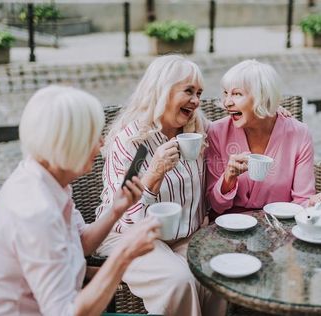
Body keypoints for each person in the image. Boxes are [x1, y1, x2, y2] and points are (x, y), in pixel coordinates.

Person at [0, 85, 160, 316]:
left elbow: (81, 243)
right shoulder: (35, 212)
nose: (102, 143)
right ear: (69, 142)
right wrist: (124, 254)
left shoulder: (47, 178)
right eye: (93, 136)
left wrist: (116, 210)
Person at [95, 55, 225, 316]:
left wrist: (276, 117)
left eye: (199, 93)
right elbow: (122, 215)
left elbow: (237, 126)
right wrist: (154, 174)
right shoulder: (132, 141)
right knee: (178, 282)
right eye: (188, 91)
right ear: (162, 90)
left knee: (216, 273)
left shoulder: (197, 129)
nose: (196, 101)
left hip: (184, 235)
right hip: (128, 234)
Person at [205, 59, 321, 218]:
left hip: (278, 227)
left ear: (263, 97)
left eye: (237, 94)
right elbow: (215, 205)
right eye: (226, 93)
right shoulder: (217, 132)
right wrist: (228, 177)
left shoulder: (299, 134)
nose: (227, 102)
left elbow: (302, 200)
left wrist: (315, 203)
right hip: (228, 228)